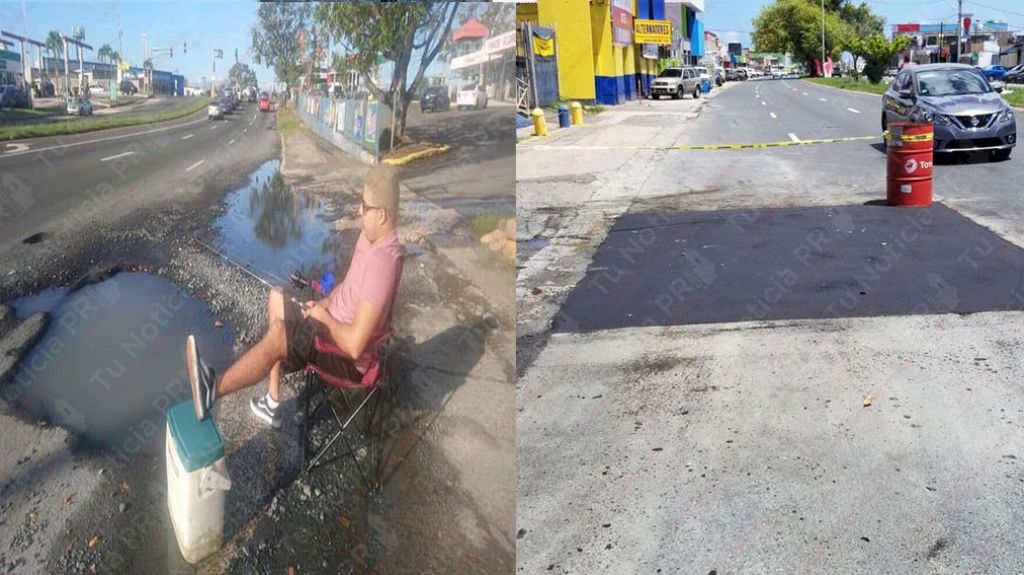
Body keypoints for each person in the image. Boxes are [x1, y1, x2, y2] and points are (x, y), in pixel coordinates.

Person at [186, 163, 405, 427]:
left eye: (365, 206)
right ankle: (272, 402)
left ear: (381, 215)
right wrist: (323, 303)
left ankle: (212, 389)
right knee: (277, 296)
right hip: (328, 324)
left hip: (345, 359)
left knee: (279, 334)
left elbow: (356, 345)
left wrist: (324, 318)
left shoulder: (383, 263)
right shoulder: (368, 238)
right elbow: (347, 288)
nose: (359, 211)